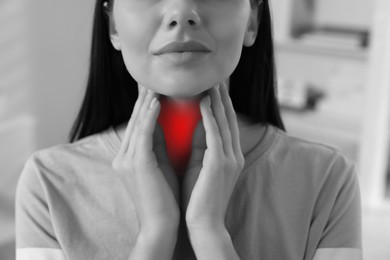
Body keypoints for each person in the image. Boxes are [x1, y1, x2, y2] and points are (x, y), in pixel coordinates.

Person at [15, 0, 362, 259]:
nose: (182, 13)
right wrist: (156, 233)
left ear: (253, 18)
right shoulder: (49, 183)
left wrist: (210, 232)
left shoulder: (327, 181)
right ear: (113, 27)